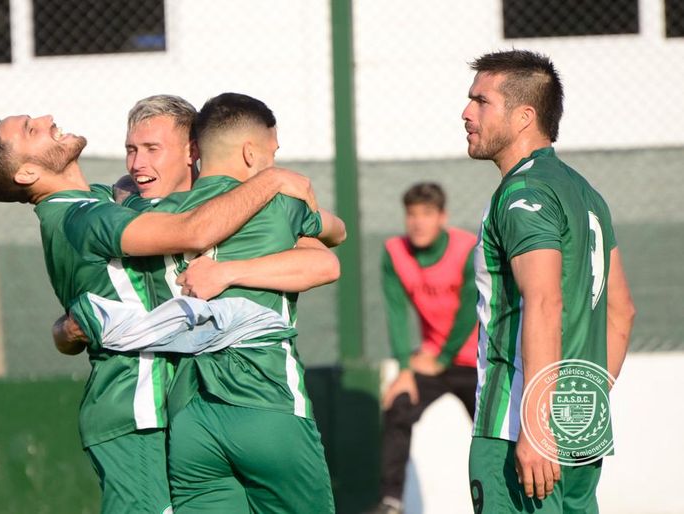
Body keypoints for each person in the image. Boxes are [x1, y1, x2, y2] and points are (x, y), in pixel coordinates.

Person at [0, 113, 322, 514]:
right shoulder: (82, 217)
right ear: (28, 172)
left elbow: (76, 326)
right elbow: (193, 231)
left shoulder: (94, 203)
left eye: (152, 149)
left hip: (174, 411)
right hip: (133, 412)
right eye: (31, 129)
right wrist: (271, 180)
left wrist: (64, 331)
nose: (47, 119)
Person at [128, 92, 345, 513]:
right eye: (273, 151)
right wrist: (289, 190)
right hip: (266, 400)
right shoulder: (279, 205)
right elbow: (333, 244)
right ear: (251, 153)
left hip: (190, 418)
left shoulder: (155, 218)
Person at [461, 50, 635, 513]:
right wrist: (579, 402)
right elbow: (621, 312)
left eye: (481, 101)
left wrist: (538, 426)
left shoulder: (522, 193)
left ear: (524, 117)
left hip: (517, 426)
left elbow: (543, 303)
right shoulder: (584, 192)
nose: (466, 113)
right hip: (580, 424)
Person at [368, 182, 478, 514]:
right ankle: (391, 501)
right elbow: (396, 312)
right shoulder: (394, 252)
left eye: (427, 214)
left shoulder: (467, 247)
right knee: (397, 405)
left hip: (477, 359)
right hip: (431, 358)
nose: (418, 222)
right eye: (412, 214)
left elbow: (470, 308)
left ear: (442, 217)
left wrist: (443, 357)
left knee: (493, 433)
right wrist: (404, 369)